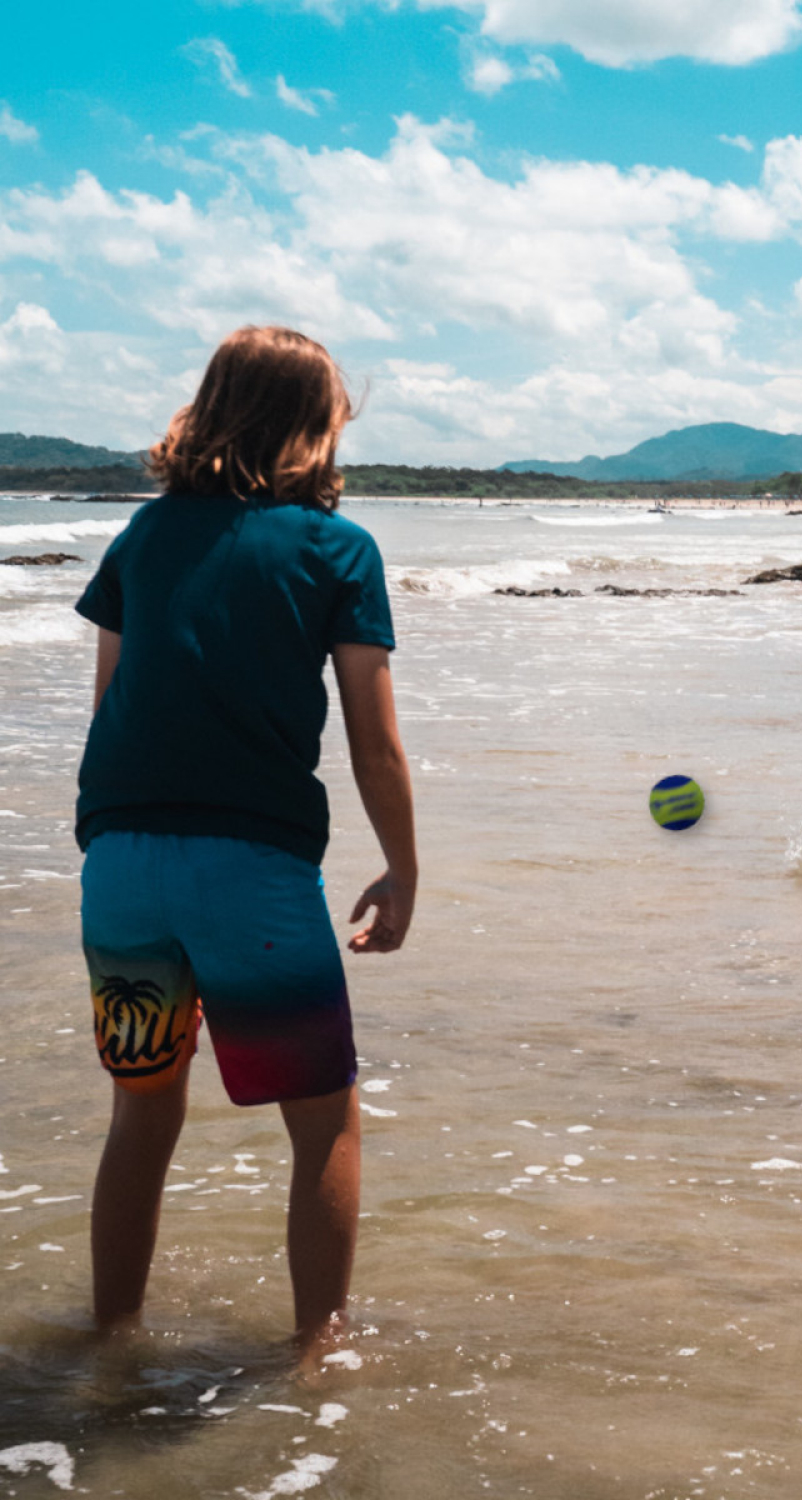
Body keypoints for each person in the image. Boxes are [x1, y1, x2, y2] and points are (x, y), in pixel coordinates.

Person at [74, 326, 417, 1359]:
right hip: (252, 875)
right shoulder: (336, 550)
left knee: (142, 1116)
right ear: (310, 428)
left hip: (122, 866)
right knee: (324, 1124)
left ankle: (111, 1344)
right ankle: (316, 1356)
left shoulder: (141, 535)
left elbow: (109, 708)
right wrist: (403, 868)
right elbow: (375, 737)